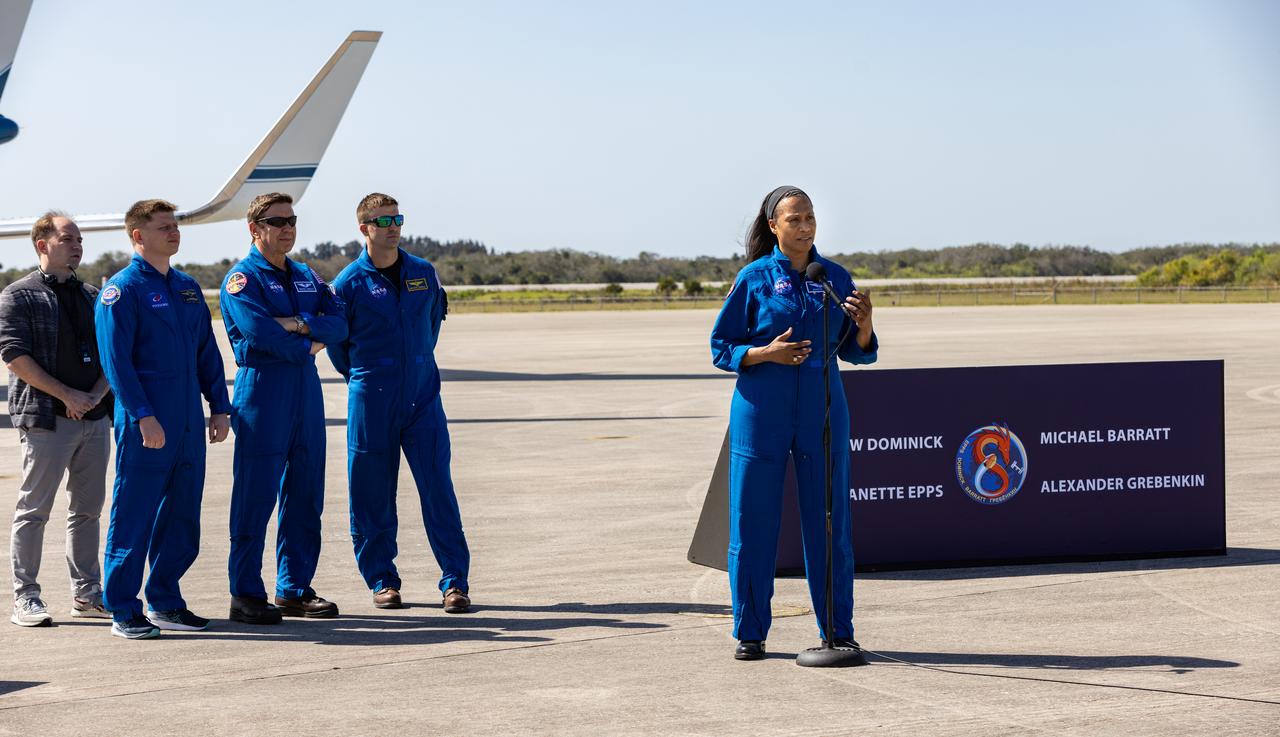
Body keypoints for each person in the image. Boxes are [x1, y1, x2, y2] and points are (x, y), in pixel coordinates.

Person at [709, 186, 878, 661]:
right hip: (761, 409)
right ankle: (750, 631)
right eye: (796, 220)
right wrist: (766, 354)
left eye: (811, 219)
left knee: (829, 524)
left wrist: (864, 326)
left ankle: (837, 630)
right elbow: (721, 347)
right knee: (752, 522)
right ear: (774, 226)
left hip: (822, 410)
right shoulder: (753, 279)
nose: (806, 228)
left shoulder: (833, 277)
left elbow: (857, 350)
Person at [328, 193, 471, 613]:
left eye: (397, 218)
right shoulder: (348, 283)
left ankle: (455, 583)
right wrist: (368, 376)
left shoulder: (424, 274)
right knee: (371, 495)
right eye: (383, 220)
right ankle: (382, 580)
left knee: (438, 490)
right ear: (364, 228)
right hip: (371, 397)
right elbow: (340, 350)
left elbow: (430, 328)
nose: (393, 226)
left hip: (422, 396)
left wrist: (416, 366)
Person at [95, 199, 232, 639]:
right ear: (138, 236)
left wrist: (219, 406)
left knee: (183, 514)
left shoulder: (187, 287)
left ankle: (166, 600)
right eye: (164, 227)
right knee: (134, 514)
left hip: (188, 418)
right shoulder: (121, 291)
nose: (174, 233)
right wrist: (142, 416)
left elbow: (206, 353)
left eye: (175, 226)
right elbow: (117, 364)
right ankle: (122, 608)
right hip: (148, 420)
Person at [219, 193, 347, 624]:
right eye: (277, 222)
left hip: (305, 392)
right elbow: (258, 333)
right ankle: (246, 592)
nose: (288, 228)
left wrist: (297, 324)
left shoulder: (307, 275)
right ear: (254, 229)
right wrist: (308, 339)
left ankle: (293, 588)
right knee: (255, 497)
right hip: (263, 392)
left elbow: (340, 321)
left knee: (306, 495)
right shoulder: (243, 279)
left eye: (292, 220)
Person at [1, 213, 112, 626]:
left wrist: (95, 396)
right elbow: (14, 356)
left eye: (79, 239)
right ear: (42, 244)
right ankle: (25, 597)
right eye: (67, 238)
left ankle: (87, 594)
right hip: (47, 420)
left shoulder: (93, 296)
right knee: (34, 511)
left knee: (88, 511)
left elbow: (112, 354)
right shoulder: (19, 295)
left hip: (95, 419)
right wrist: (67, 395)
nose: (77, 245)